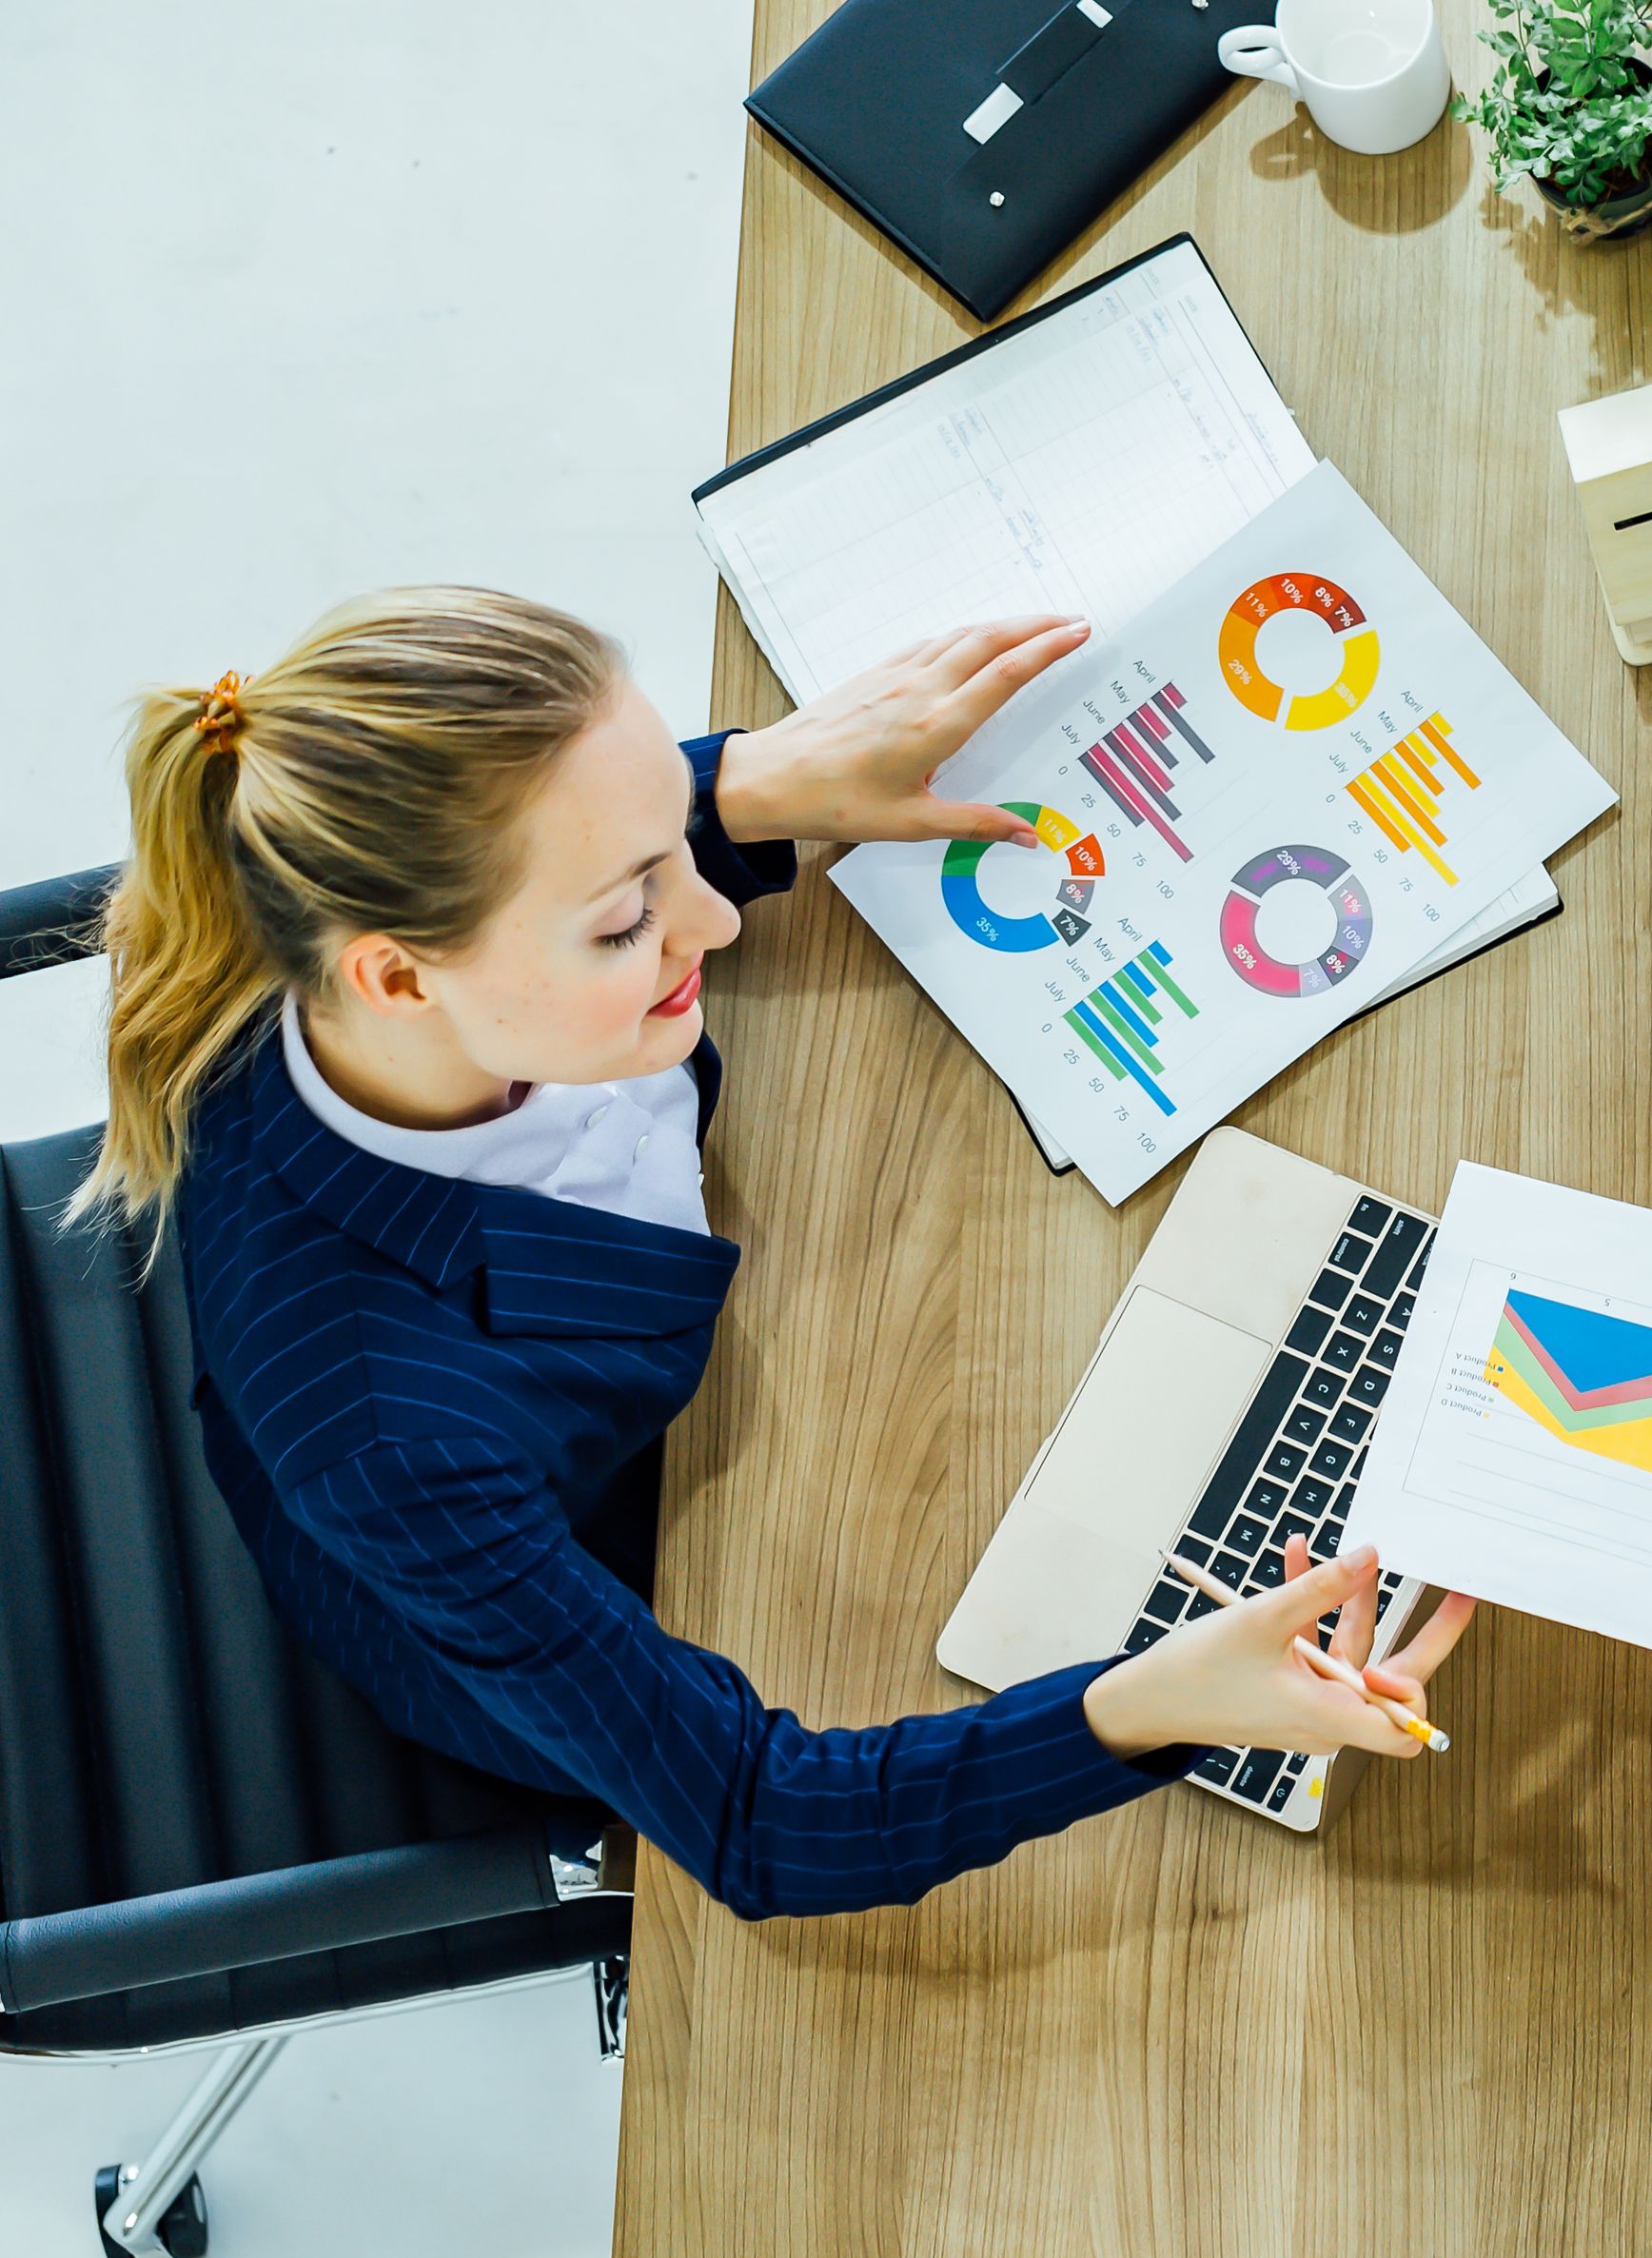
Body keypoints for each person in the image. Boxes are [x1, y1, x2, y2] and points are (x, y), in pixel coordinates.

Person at [70, 587, 1475, 1919]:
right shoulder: (393, 1438)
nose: (716, 919)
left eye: (672, 852)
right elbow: (760, 1815)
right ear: (395, 975)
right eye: (629, 919)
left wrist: (752, 781)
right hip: (586, 1565)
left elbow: (570, 833)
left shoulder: (385, 930)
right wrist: (1151, 1701)